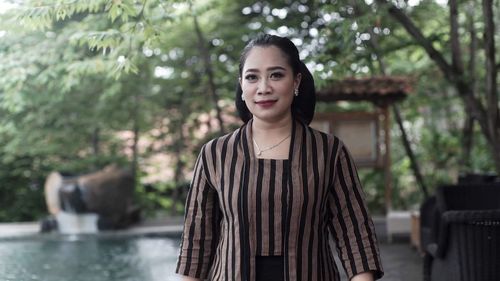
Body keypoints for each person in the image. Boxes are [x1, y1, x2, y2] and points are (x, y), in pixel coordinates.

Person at [176, 34, 384, 281]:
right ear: (241, 84)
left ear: (296, 81)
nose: (264, 88)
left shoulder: (328, 151)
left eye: (276, 75)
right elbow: (197, 239)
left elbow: (355, 234)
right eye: (252, 77)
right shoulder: (215, 154)